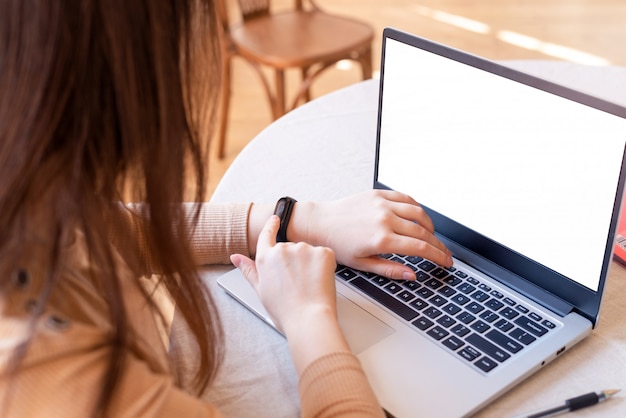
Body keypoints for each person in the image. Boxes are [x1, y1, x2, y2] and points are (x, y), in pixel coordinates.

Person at [0, 1, 452, 417]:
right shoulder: (58, 381)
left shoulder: (27, 193)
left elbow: (115, 227)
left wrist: (299, 219)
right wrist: (310, 322)